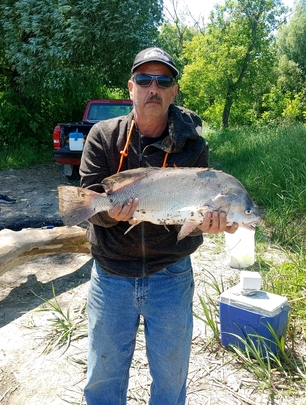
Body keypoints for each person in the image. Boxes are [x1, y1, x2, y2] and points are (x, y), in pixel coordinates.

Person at [80, 47, 238, 405]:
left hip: (171, 275)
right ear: (131, 87)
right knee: (102, 376)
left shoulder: (193, 145)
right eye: (144, 79)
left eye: (163, 80)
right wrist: (110, 214)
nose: (154, 87)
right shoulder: (103, 137)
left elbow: (192, 216)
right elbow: (90, 204)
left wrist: (206, 225)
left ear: (174, 90)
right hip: (111, 273)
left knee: (170, 378)